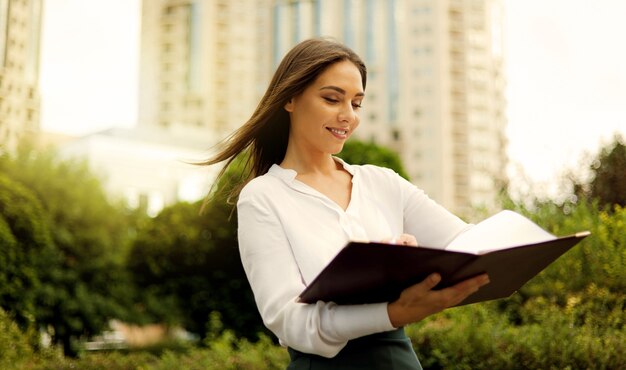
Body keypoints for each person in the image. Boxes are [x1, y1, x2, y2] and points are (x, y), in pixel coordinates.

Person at [203, 38, 490, 370]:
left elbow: (470, 246)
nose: (348, 117)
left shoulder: (383, 183)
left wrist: (413, 263)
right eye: (331, 99)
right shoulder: (263, 197)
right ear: (290, 99)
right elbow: (288, 319)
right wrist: (393, 312)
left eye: (356, 104)